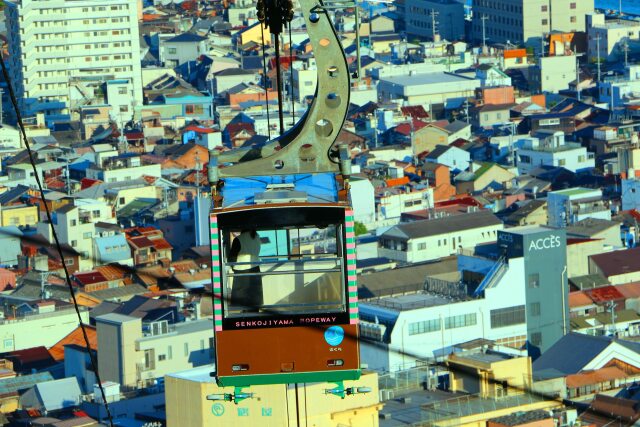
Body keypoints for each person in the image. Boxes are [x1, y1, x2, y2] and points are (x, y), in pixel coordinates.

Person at [228, 229, 263, 310]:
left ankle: (244, 315)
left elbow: (232, 256)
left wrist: (232, 267)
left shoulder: (239, 239)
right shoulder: (257, 237)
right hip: (256, 268)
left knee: (242, 298)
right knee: (254, 296)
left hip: (241, 269)